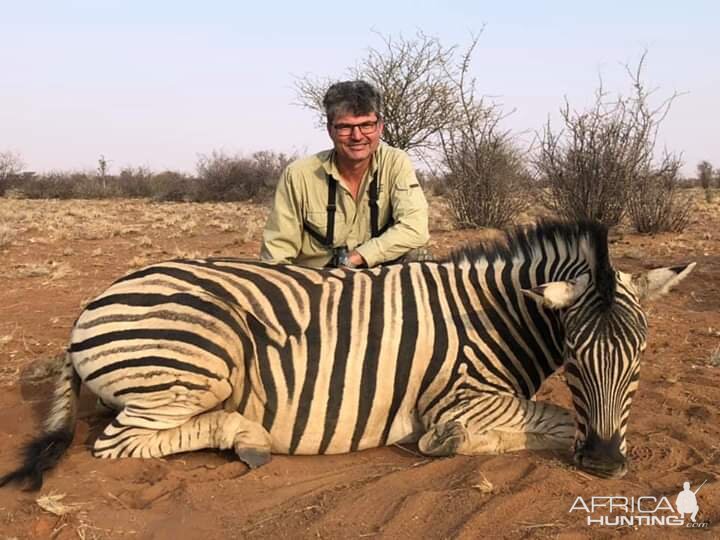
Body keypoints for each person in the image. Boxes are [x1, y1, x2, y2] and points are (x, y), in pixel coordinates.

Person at [260, 80, 430, 268]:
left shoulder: (395, 162)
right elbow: (277, 254)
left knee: (419, 259)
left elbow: (415, 228)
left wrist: (355, 258)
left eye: (366, 125)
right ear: (330, 130)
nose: (357, 136)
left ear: (380, 126)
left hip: (377, 280)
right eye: (345, 127)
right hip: (317, 286)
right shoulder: (298, 175)